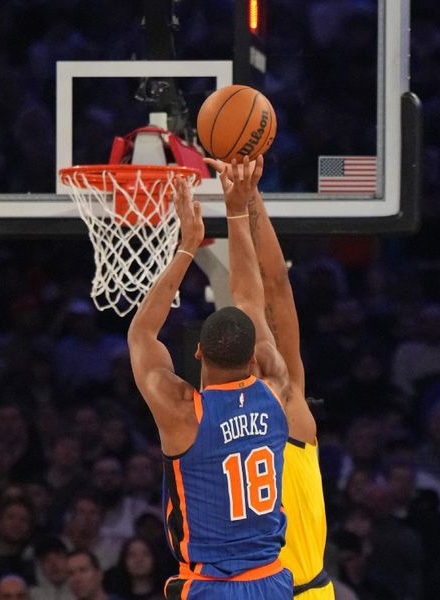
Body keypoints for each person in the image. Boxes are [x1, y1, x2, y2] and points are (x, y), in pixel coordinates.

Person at [127, 166, 292, 598]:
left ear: (198, 351)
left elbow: (142, 334)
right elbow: (251, 300)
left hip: (214, 587)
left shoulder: (184, 412)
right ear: (255, 355)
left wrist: (187, 246)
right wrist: (237, 210)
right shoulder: (275, 386)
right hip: (272, 580)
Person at [204, 154, 334, 598]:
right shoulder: (284, 400)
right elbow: (271, 287)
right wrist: (243, 201)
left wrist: (243, 202)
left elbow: (261, 293)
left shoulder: (202, 411)